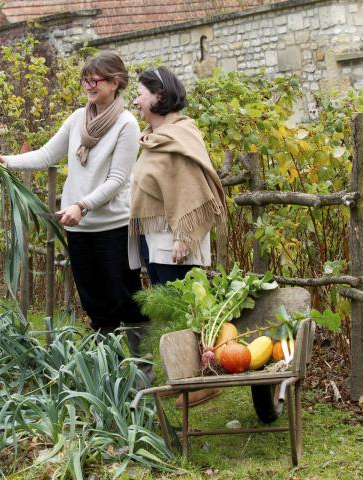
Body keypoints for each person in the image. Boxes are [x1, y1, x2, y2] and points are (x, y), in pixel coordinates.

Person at [0, 52, 152, 375]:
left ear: (115, 82)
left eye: (96, 80)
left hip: (113, 226)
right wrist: (7, 161)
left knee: (126, 299)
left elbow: (118, 180)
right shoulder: (79, 118)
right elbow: (48, 154)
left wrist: (82, 205)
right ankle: (107, 374)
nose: (89, 85)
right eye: (85, 79)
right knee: (94, 302)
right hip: (79, 228)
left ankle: (142, 371)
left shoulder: (126, 124)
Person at [129, 66, 227, 404]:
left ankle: (204, 380)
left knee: (186, 308)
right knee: (171, 309)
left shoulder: (179, 135)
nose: (136, 100)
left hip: (176, 240)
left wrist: (185, 236)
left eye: (140, 93)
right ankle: (185, 378)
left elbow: (191, 189)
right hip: (156, 237)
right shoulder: (154, 137)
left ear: (158, 95)